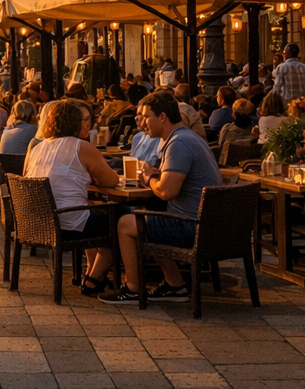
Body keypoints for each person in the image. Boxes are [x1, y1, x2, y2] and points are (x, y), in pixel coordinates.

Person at [101, 91, 222, 304]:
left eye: (146, 116)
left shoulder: (179, 143)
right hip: (208, 222)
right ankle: (174, 285)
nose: (142, 123)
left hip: (192, 225)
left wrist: (148, 178)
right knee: (148, 216)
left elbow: (167, 192)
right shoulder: (185, 137)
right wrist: (156, 175)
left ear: (163, 117)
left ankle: (132, 288)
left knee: (125, 224)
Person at [25, 100, 122, 296]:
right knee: (121, 221)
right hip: (68, 220)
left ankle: (92, 274)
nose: (88, 124)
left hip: (40, 221)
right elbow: (111, 180)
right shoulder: (81, 147)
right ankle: (94, 280)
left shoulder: (39, 147)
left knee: (98, 213)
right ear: (74, 122)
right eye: (83, 120)